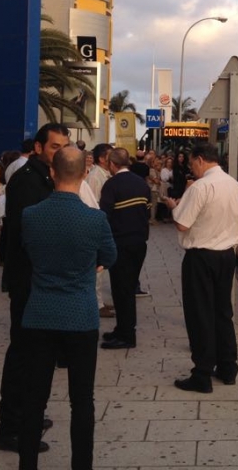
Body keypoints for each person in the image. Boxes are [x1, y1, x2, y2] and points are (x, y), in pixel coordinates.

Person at [18, 147, 116, 470]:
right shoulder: (95, 219)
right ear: (84, 174)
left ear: (52, 173)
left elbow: (26, 254)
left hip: (39, 315)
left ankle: (28, 464)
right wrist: (92, 267)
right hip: (80, 316)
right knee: (82, 400)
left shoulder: (31, 216)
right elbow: (110, 256)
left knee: (33, 397)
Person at [0, 122, 70, 454]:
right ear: (38, 148)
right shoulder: (27, 180)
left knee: (37, 353)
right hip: (30, 282)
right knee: (23, 355)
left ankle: (28, 414)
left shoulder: (44, 178)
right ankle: (10, 428)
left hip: (38, 281)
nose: (60, 152)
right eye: (54, 146)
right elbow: (31, 234)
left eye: (63, 147)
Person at [164, 142, 238, 393]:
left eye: (191, 163)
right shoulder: (234, 184)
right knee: (222, 312)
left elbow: (182, 225)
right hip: (227, 255)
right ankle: (228, 367)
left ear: (199, 159)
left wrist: (174, 207)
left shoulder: (200, 187)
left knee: (200, 315)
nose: (190, 168)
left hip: (201, 257)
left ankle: (202, 374)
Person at [99, 148, 151, 350]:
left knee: (121, 290)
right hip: (139, 243)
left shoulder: (111, 185)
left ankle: (127, 336)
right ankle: (122, 329)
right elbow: (146, 212)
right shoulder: (141, 183)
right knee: (127, 288)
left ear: (112, 164)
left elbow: (105, 216)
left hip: (120, 244)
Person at [85, 143, 114, 318]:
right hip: (97, 226)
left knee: (102, 270)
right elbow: (94, 203)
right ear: (103, 158)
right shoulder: (96, 177)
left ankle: (100, 300)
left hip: (103, 225)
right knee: (98, 269)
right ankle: (96, 303)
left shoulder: (105, 175)